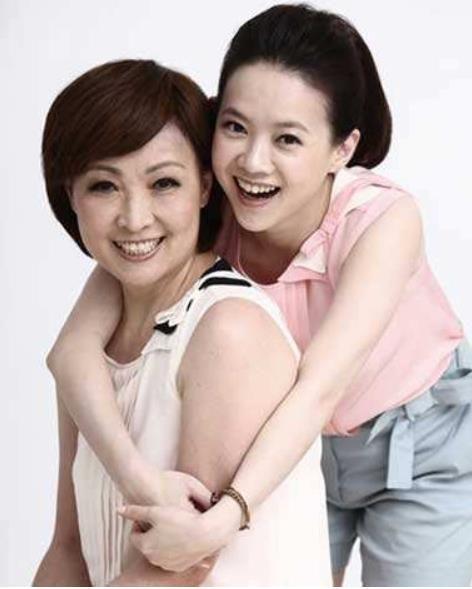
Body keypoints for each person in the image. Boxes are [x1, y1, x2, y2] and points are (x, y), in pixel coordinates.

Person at [46, 4, 472, 587]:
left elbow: (317, 389)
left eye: (287, 138)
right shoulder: (193, 205)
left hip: (421, 439)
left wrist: (223, 517)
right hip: (284, 438)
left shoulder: (382, 220)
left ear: (341, 149)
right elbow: (71, 354)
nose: (253, 162)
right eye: (235, 128)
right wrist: (138, 478)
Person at [32, 58, 332, 587]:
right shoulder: (89, 348)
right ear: (69, 193)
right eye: (103, 186)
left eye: (164, 183)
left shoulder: (228, 329)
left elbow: (177, 570)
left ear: (205, 187)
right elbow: (68, 549)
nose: (134, 218)